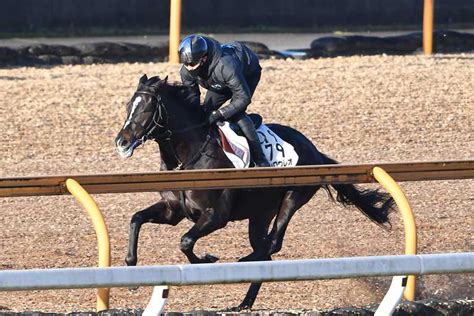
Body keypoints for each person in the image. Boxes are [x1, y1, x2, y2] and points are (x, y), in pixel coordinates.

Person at [178, 34, 270, 167]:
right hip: (219, 81)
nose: (189, 69)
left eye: (193, 64)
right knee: (205, 112)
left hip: (247, 72)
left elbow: (243, 98)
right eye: (186, 64)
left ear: (204, 58)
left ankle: (260, 158)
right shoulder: (186, 71)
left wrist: (219, 113)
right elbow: (193, 99)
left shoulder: (226, 65)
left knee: (236, 113)